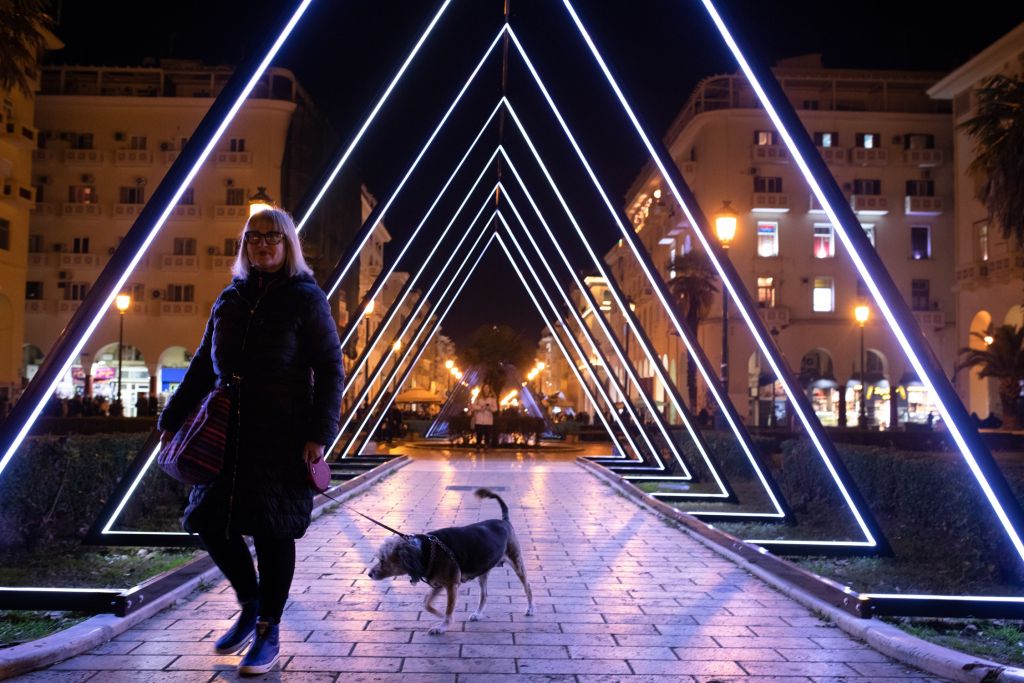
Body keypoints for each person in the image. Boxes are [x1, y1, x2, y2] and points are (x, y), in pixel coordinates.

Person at [157, 209, 344, 676]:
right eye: (253, 237)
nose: (262, 244)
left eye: (272, 237)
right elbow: (203, 365)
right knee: (207, 519)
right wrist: (173, 417)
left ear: (288, 244)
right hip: (226, 432)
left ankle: (267, 630)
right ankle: (250, 601)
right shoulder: (231, 297)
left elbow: (330, 369)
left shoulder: (305, 298)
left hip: (281, 433)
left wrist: (318, 435)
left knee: (272, 531)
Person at [472, 386, 497, 450]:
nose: (486, 389)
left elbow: (495, 409)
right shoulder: (478, 397)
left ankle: (486, 445)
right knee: (479, 433)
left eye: (487, 388)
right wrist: (480, 408)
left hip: (488, 419)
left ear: (489, 389)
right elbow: (474, 405)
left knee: (487, 434)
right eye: (485, 388)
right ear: (482, 389)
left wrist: (489, 408)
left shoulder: (492, 398)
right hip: (479, 418)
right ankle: (478, 445)